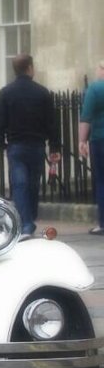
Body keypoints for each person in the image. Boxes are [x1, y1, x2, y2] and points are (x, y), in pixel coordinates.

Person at [0, 54, 60, 237]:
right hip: (37, 145)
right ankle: (29, 220)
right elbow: (52, 123)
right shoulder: (42, 92)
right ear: (30, 68)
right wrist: (54, 146)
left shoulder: (6, 92)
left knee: (19, 184)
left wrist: (0, 141)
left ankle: (26, 224)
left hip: (16, 145)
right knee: (32, 184)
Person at [78, 60, 104, 236]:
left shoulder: (94, 89)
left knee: (101, 181)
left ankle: (103, 224)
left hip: (100, 139)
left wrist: (82, 141)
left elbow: (85, 117)